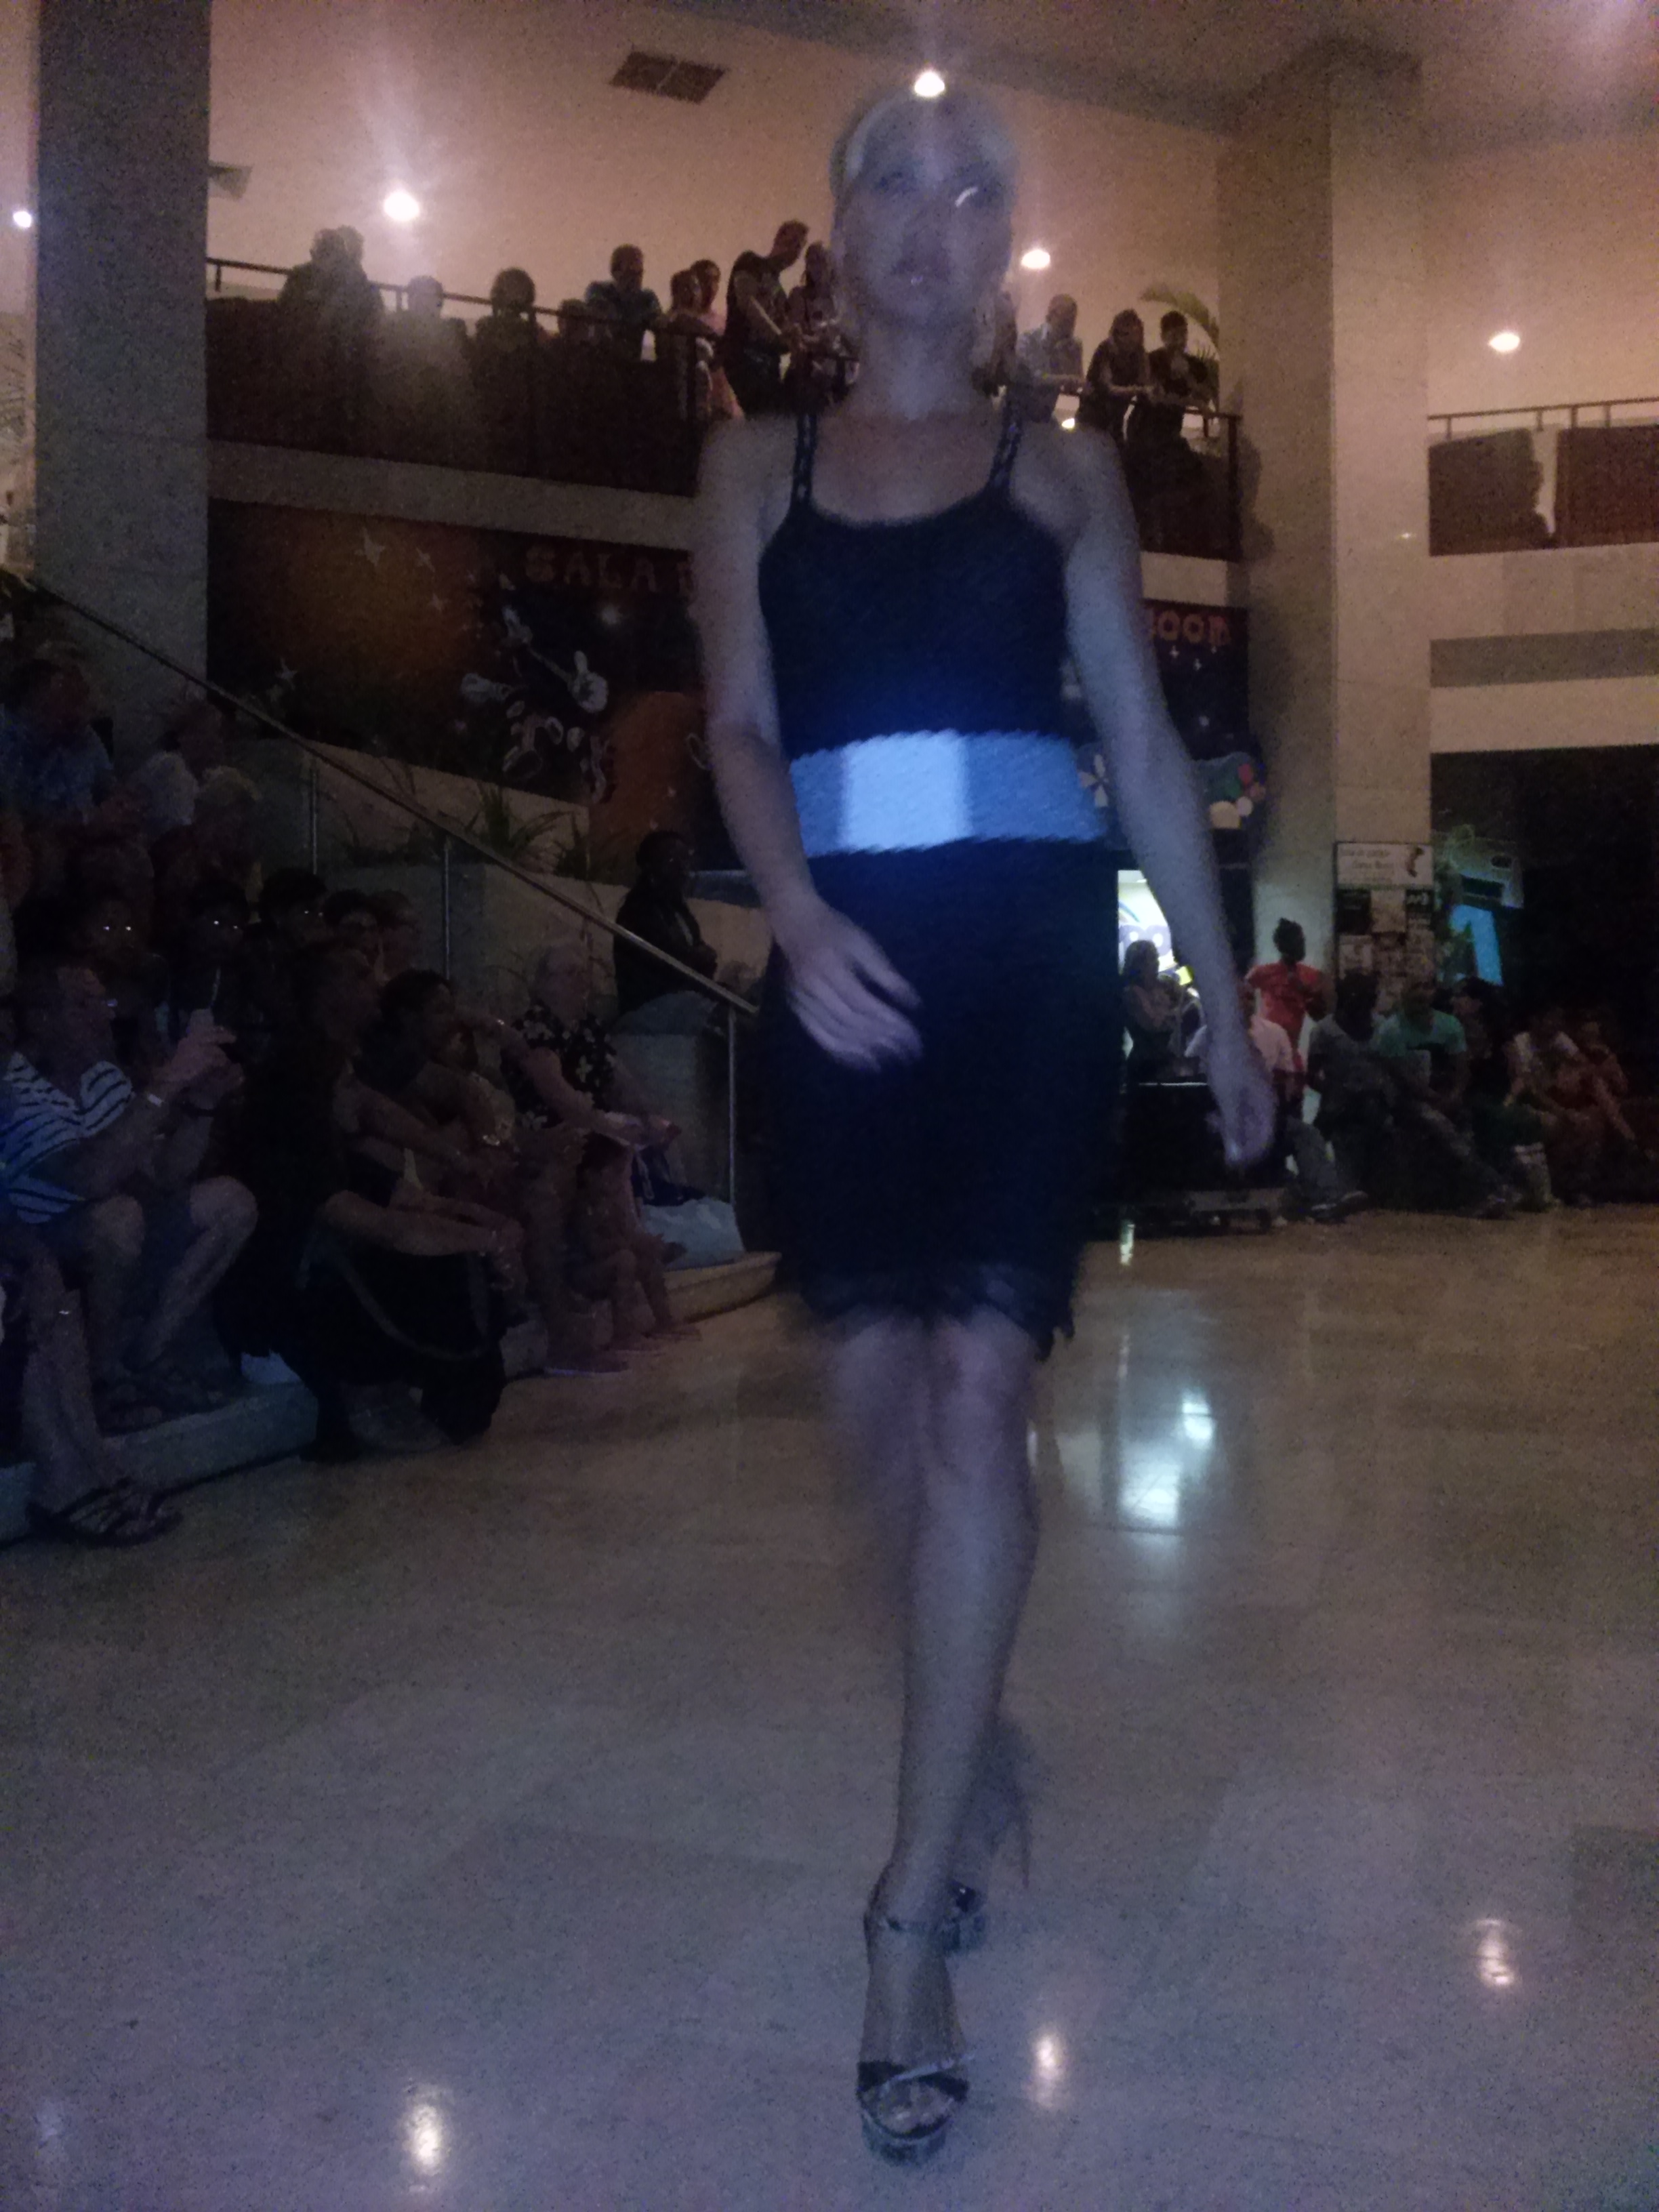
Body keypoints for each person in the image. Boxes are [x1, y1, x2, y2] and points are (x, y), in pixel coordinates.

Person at [693, 83, 1273, 2163]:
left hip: (1027, 956)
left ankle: (909, 1911)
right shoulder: (748, 466)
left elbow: (1142, 745)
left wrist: (1223, 1006)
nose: (932, 219)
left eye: (973, 191)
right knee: (876, 1406)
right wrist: (792, 910)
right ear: (837, 228)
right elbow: (739, 723)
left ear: (1000, 245)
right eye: (894, 182)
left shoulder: (1068, 469)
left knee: (970, 1393)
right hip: (847, 944)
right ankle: (968, 1701)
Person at [222, 943, 509, 1460]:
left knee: (453, 1254)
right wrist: (489, 1240)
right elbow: (383, 1226)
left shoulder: (331, 1079)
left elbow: (399, 1183)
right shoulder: (296, 1106)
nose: (376, 983)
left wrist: (476, 1211)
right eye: (359, 976)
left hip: (333, 1243)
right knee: (434, 1265)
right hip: (284, 1285)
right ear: (328, 994)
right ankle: (363, 1388)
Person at [0, 960, 254, 1429]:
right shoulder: (15, 1089)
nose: (104, 1015)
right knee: (117, 1219)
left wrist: (202, 1103)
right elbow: (88, 1178)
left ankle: (150, 1352)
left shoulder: (102, 1077)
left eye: (104, 1001)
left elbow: (164, 1176)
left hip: (115, 1229)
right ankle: (99, 1379)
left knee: (231, 1202)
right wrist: (166, 1083)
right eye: (83, 1004)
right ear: (41, 1020)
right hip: (38, 1247)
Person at [0, 659, 119, 828]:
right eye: (64, 695)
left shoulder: (84, 737)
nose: (79, 714)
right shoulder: (8, 737)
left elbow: (110, 790)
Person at [613, 830, 718, 1017]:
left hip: (682, 1003)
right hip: (649, 1010)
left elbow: (696, 956)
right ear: (650, 867)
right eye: (672, 860)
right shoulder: (636, 912)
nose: (682, 868)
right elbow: (660, 969)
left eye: (685, 860)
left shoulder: (680, 912)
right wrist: (696, 959)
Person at [718, 221, 810, 417]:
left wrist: (794, 338)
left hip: (768, 366)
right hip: (744, 358)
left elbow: (785, 333)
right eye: (792, 242)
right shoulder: (750, 263)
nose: (794, 251)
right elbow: (748, 303)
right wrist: (778, 335)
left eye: (799, 247)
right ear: (779, 237)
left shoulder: (781, 294)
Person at [127, 698, 232, 840]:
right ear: (187, 736)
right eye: (213, 735)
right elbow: (182, 834)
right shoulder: (174, 771)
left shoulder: (187, 772)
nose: (218, 744)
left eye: (222, 737)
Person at [1246, 918, 1328, 1069]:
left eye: (1302, 941)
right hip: (1265, 1054)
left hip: (1291, 1054)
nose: (1302, 945)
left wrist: (1304, 992)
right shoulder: (1263, 973)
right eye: (1298, 941)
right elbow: (1240, 994)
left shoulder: (1311, 976)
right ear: (1282, 945)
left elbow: (1322, 1017)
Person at [786, 241, 854, 409]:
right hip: (812, 374)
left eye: (821, 260)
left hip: (842, 374)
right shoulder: (800, 296)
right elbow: (795, 335)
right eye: (811, 262)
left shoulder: (843, 299)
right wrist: (819, 342)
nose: (817, 267)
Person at [1078, 308, 1149, 447]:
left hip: (1116, 420)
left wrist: (1148, 390)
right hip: (1093, 416)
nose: (1131, 339)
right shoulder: (1105, 350)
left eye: (1135, 334)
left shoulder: (1139, 356)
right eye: (1126, 334)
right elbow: (1108, 387)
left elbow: (1145, 382)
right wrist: (1136, 390)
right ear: (1117, 333)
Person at [1010, 293, 1083, 424]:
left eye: (1072, 320)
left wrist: (1068, 360)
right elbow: (1033, 376)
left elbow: (1074, 385)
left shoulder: (1073, 347)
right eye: (1065, 320)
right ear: (1051, 315)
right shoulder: (1028, 340)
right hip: (1016, 412)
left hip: (1045, 415)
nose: (1069, 326)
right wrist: (1065, 378)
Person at [583, 243, 663, 361]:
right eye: (630, 273)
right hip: (600, 360)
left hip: (631, 364)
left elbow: (660, 323)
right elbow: (599, 315)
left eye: (639, 273)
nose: (636, 279)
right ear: (615, 272)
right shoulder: (598, 290)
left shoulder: (647, 298)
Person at [1120, 938, 1184, 1082]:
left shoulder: (1165, 984)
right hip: (1145, 1065)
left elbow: (1187, 1000)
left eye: (1156, 957)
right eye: (1151, 959)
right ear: (1139, 964)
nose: (1156, 963)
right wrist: (1174, 1012)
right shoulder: (1131, 993)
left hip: (1169, 1061)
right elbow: (1154, 1024)